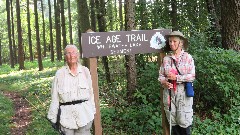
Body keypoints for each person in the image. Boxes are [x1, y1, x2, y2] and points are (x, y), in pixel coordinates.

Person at [47, 44, 96, 135]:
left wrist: (92, 111)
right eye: (68, 53)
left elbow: (91, 94)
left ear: (78, 55)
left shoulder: (85, 71)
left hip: (85, 116)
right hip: (66, 119)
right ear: (65, 57)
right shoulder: (60, 74)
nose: (71, 55)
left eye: (74, 52)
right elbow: (55, 98)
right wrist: (53, 118)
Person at [158, 31, 195, 135]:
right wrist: (164, 82)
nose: (171, 43)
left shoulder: (188, 57)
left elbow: (192, 76)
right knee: (172, 121)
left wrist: (177, 77)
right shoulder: (166, 59)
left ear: (181, 43)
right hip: (169, 94)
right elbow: (160, 76)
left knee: (184, 121)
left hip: (183, 93)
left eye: (174, 41)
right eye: (170, 41)